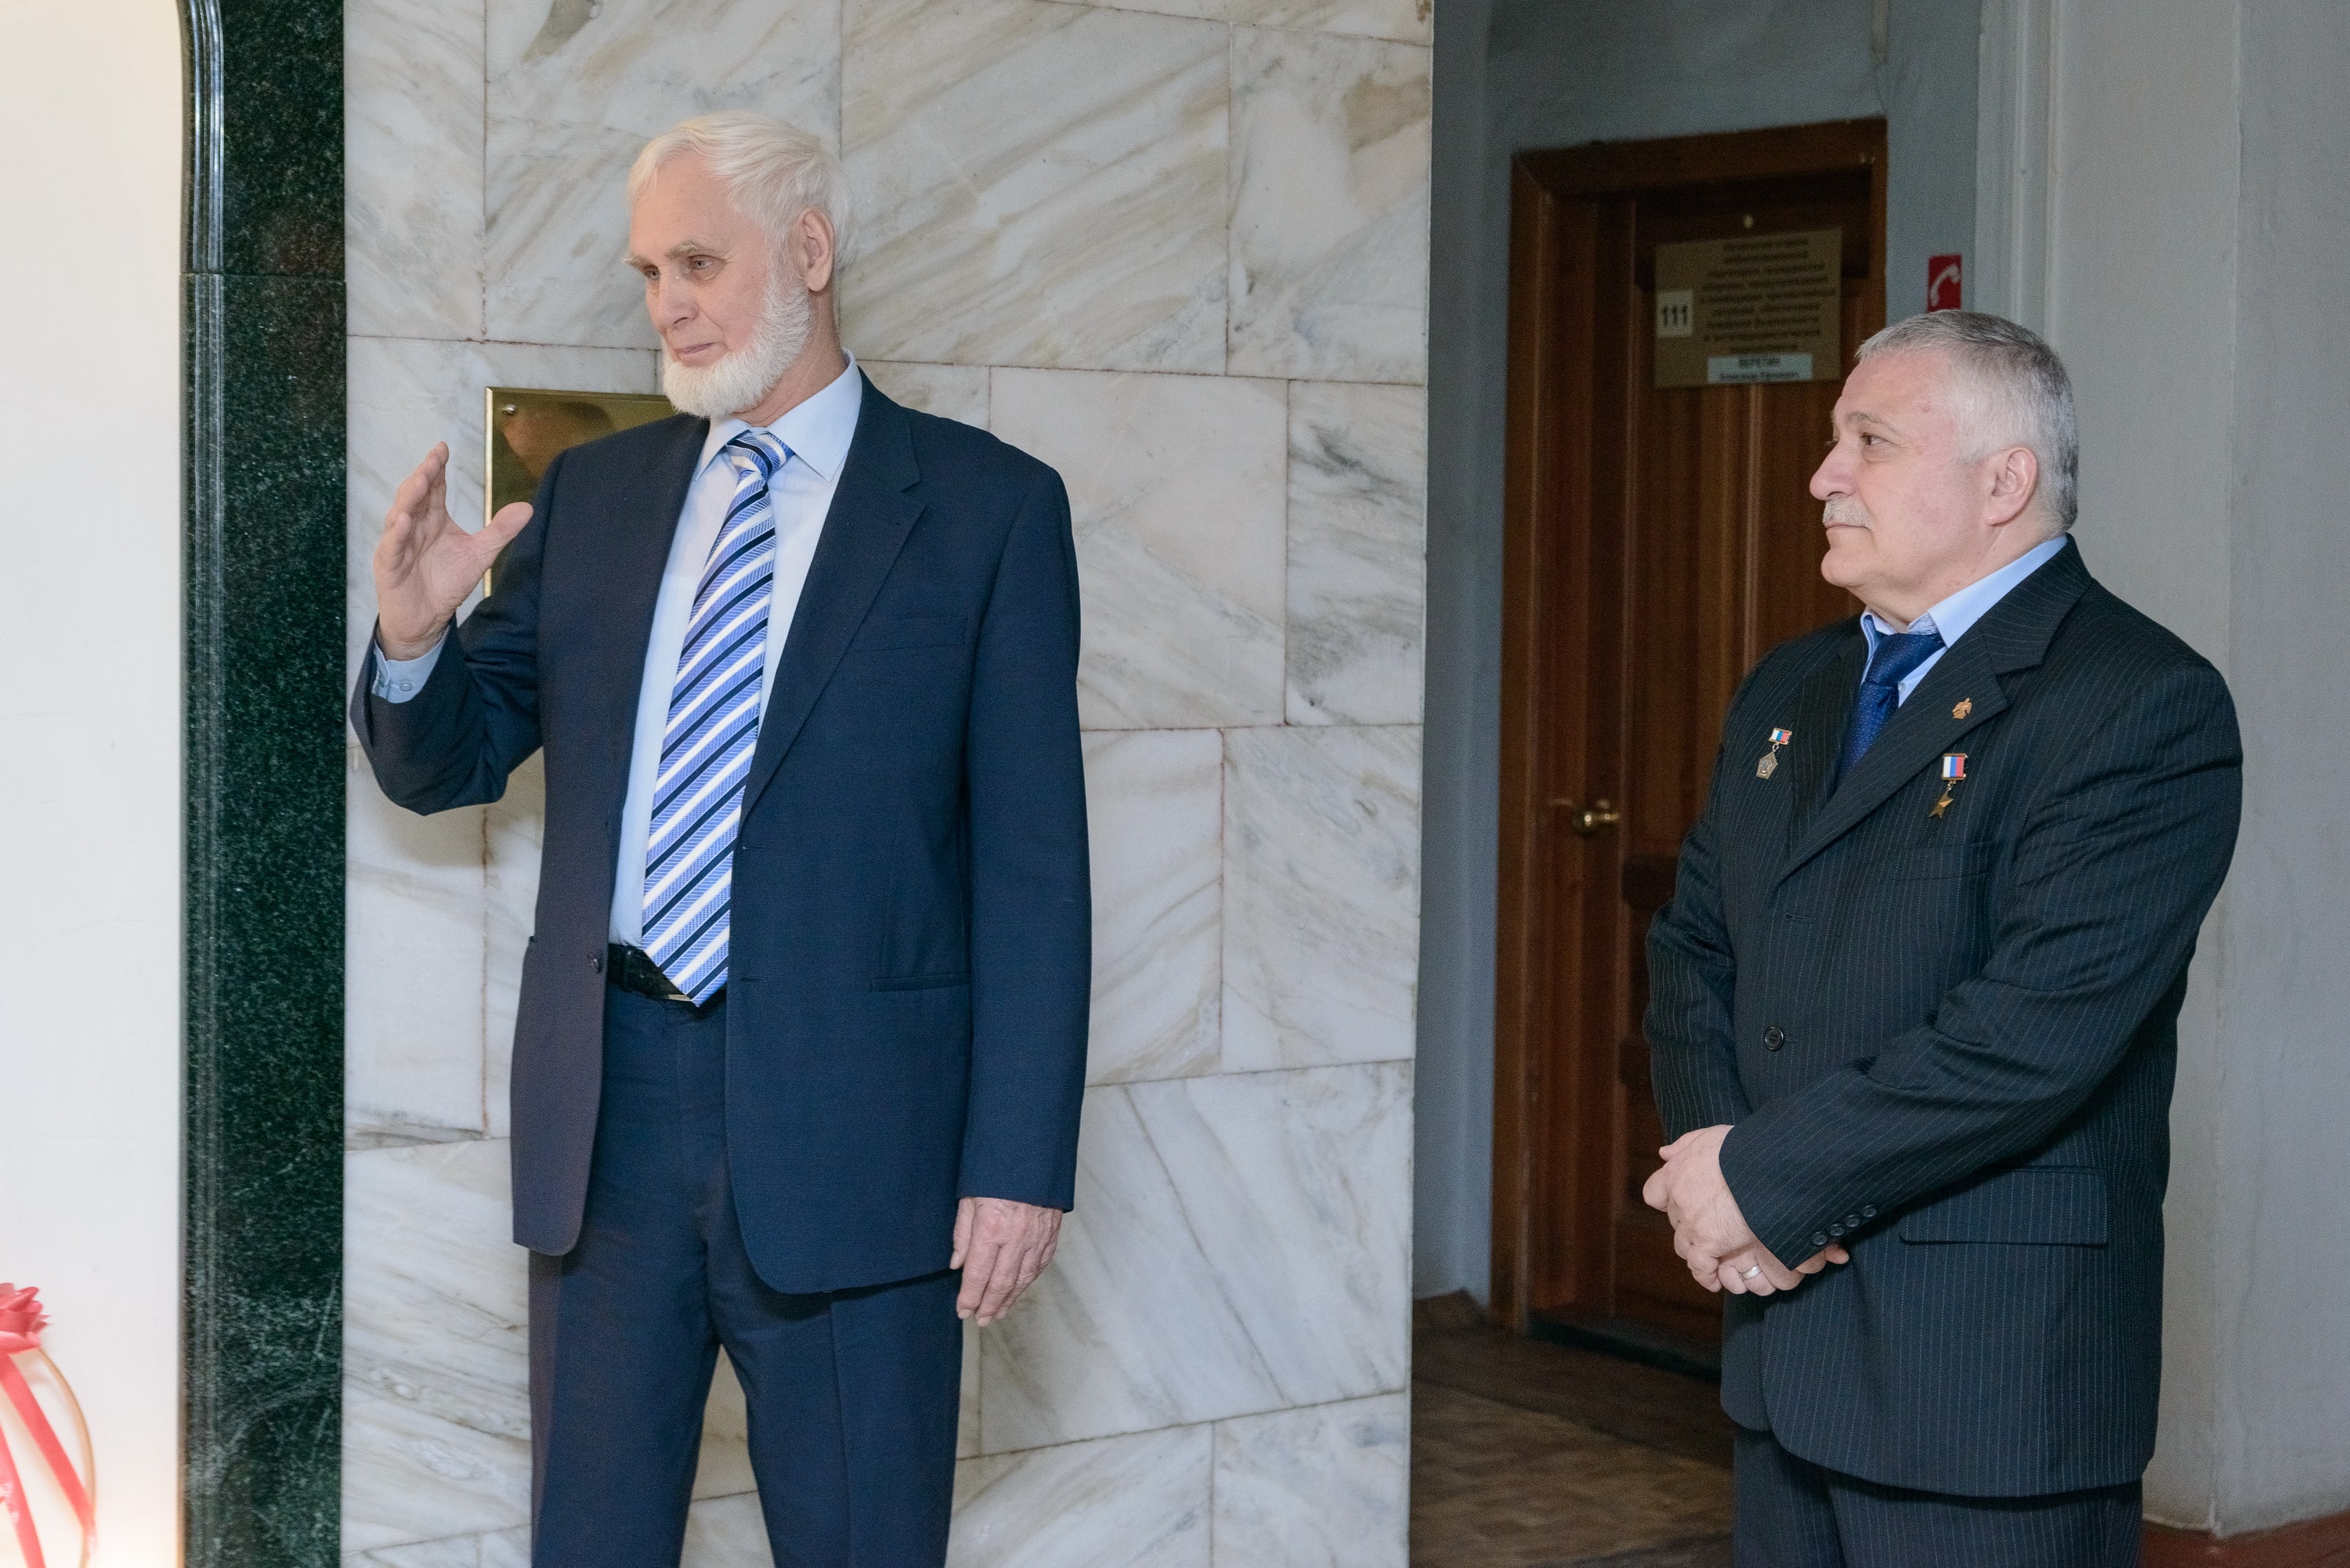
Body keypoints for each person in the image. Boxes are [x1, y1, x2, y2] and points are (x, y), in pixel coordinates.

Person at [351, 111, 1090, 1567]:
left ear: (809, 250)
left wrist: (1018, 1162)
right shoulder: (600, 496)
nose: (667, 304)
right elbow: (450, 763)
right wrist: (414, 636)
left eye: (698, 262)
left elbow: (1034, 872)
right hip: (609, 1127)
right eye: (648, 273)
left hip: (862, 1144)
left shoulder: (988, 511)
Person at [1641, 310, 2241, 1566]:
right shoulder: (1790, 686)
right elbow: (1695, 944)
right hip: (1781, 1352)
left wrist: (1764, 1182)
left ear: (2003, 482)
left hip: (1986, 1387)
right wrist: (1719, 1177)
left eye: (1870, 440)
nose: (1825, 475)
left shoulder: (2139, 702)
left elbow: (2031, 1035)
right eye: (1834, 439)